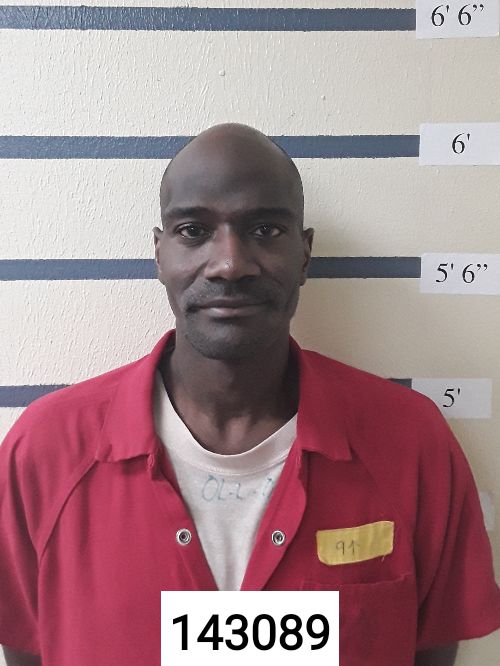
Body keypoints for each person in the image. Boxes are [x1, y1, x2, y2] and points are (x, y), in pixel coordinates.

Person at [1, 123, 499, 666]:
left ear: (304, 254)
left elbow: (431, 651)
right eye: (194, 230)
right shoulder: (45, 453)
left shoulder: (410, 443)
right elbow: (25, 650)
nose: (230, 264)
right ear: (159, 254)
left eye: (265, 229)